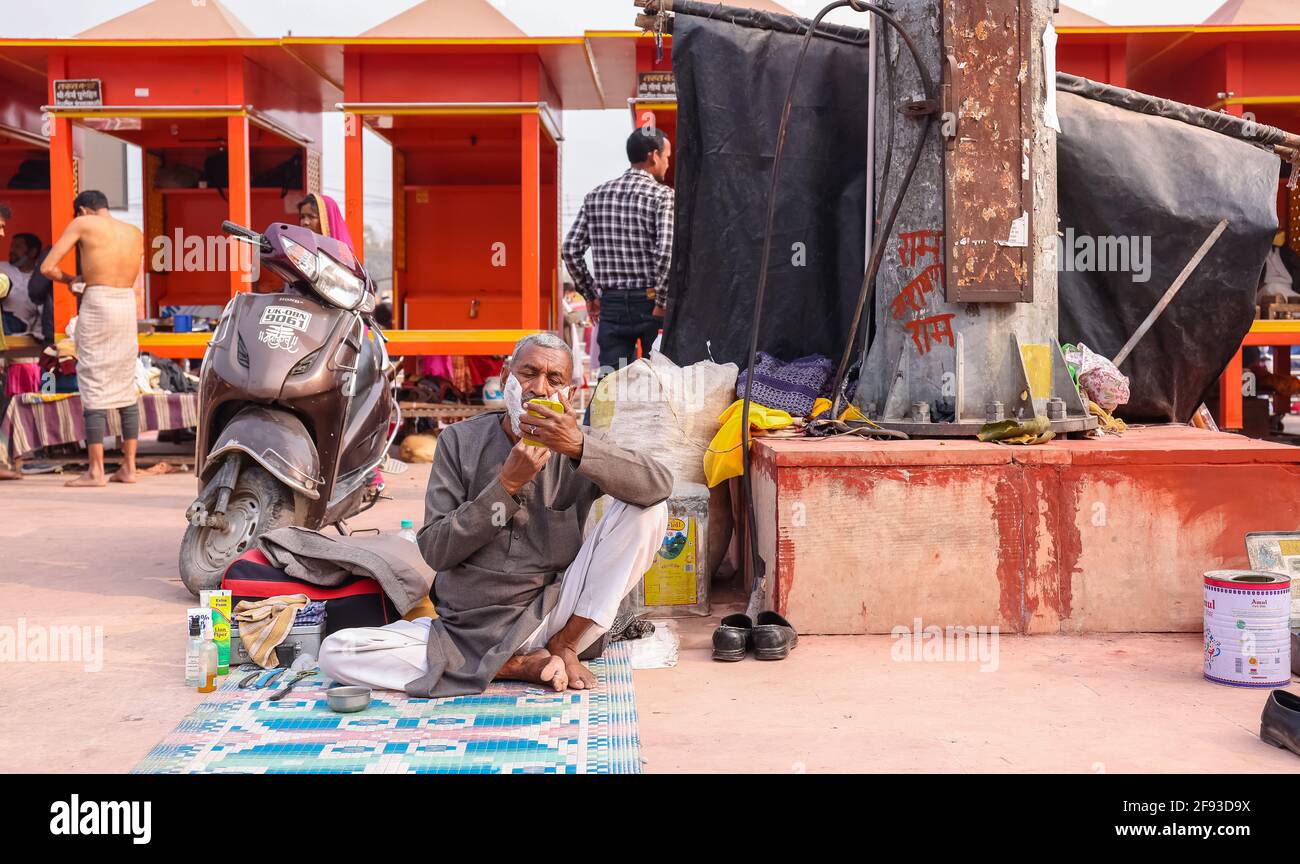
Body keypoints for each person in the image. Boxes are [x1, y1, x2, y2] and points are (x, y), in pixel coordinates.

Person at [319, 332, 672, 696]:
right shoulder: (459, 441)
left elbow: (658, 485)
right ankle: (514, 665)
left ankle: (563, 647)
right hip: (469, 628)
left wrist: (579, 447)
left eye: (555, 380)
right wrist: (506, 486)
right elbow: (436, 551)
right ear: (505, 379)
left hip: (554, 613)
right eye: (528, 373)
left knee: (648, 511)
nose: (539, 388)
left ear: (571, 392)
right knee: (337, 652)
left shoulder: (579, 442)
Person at [40, 190, 145, 487]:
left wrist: (70, 280)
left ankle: (96, 470)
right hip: (126, 304)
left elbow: (47, 267)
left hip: (98, 299)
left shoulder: (82, 224)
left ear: (84, 210)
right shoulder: (133, 232)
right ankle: (129, 467)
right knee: (125, 383)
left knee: (93, 378)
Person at [562, 127, 674, 377]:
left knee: (611, 381)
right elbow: (666, 253)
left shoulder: (596, 196)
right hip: (651, 302)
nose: (668, 162)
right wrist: (662, 302)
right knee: (656, 380)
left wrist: (591, 294)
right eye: (667, 156)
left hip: (611, 303)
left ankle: (597, 418)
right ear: (653, 156)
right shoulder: (663, 196)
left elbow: (570, 250)